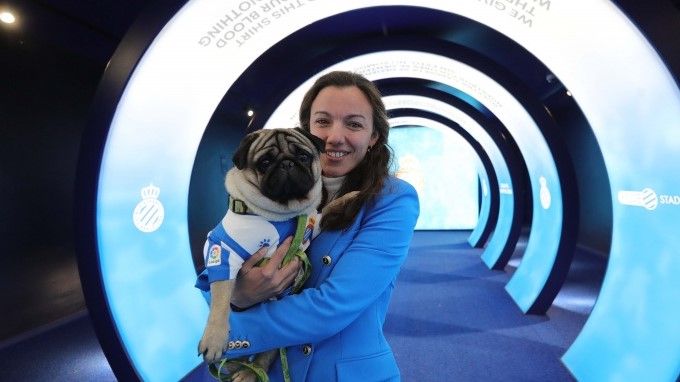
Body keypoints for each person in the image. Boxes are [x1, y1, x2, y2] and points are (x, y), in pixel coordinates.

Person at [218, 70, 419, 381]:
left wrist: (226, 328)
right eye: (323, 121)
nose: (334, 137)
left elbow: (334, 305)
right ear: (307, 129)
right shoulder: (267, 193)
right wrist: (235, 295)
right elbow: (217, 269)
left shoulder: (393, 199)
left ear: (374, 136)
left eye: (354, 124)